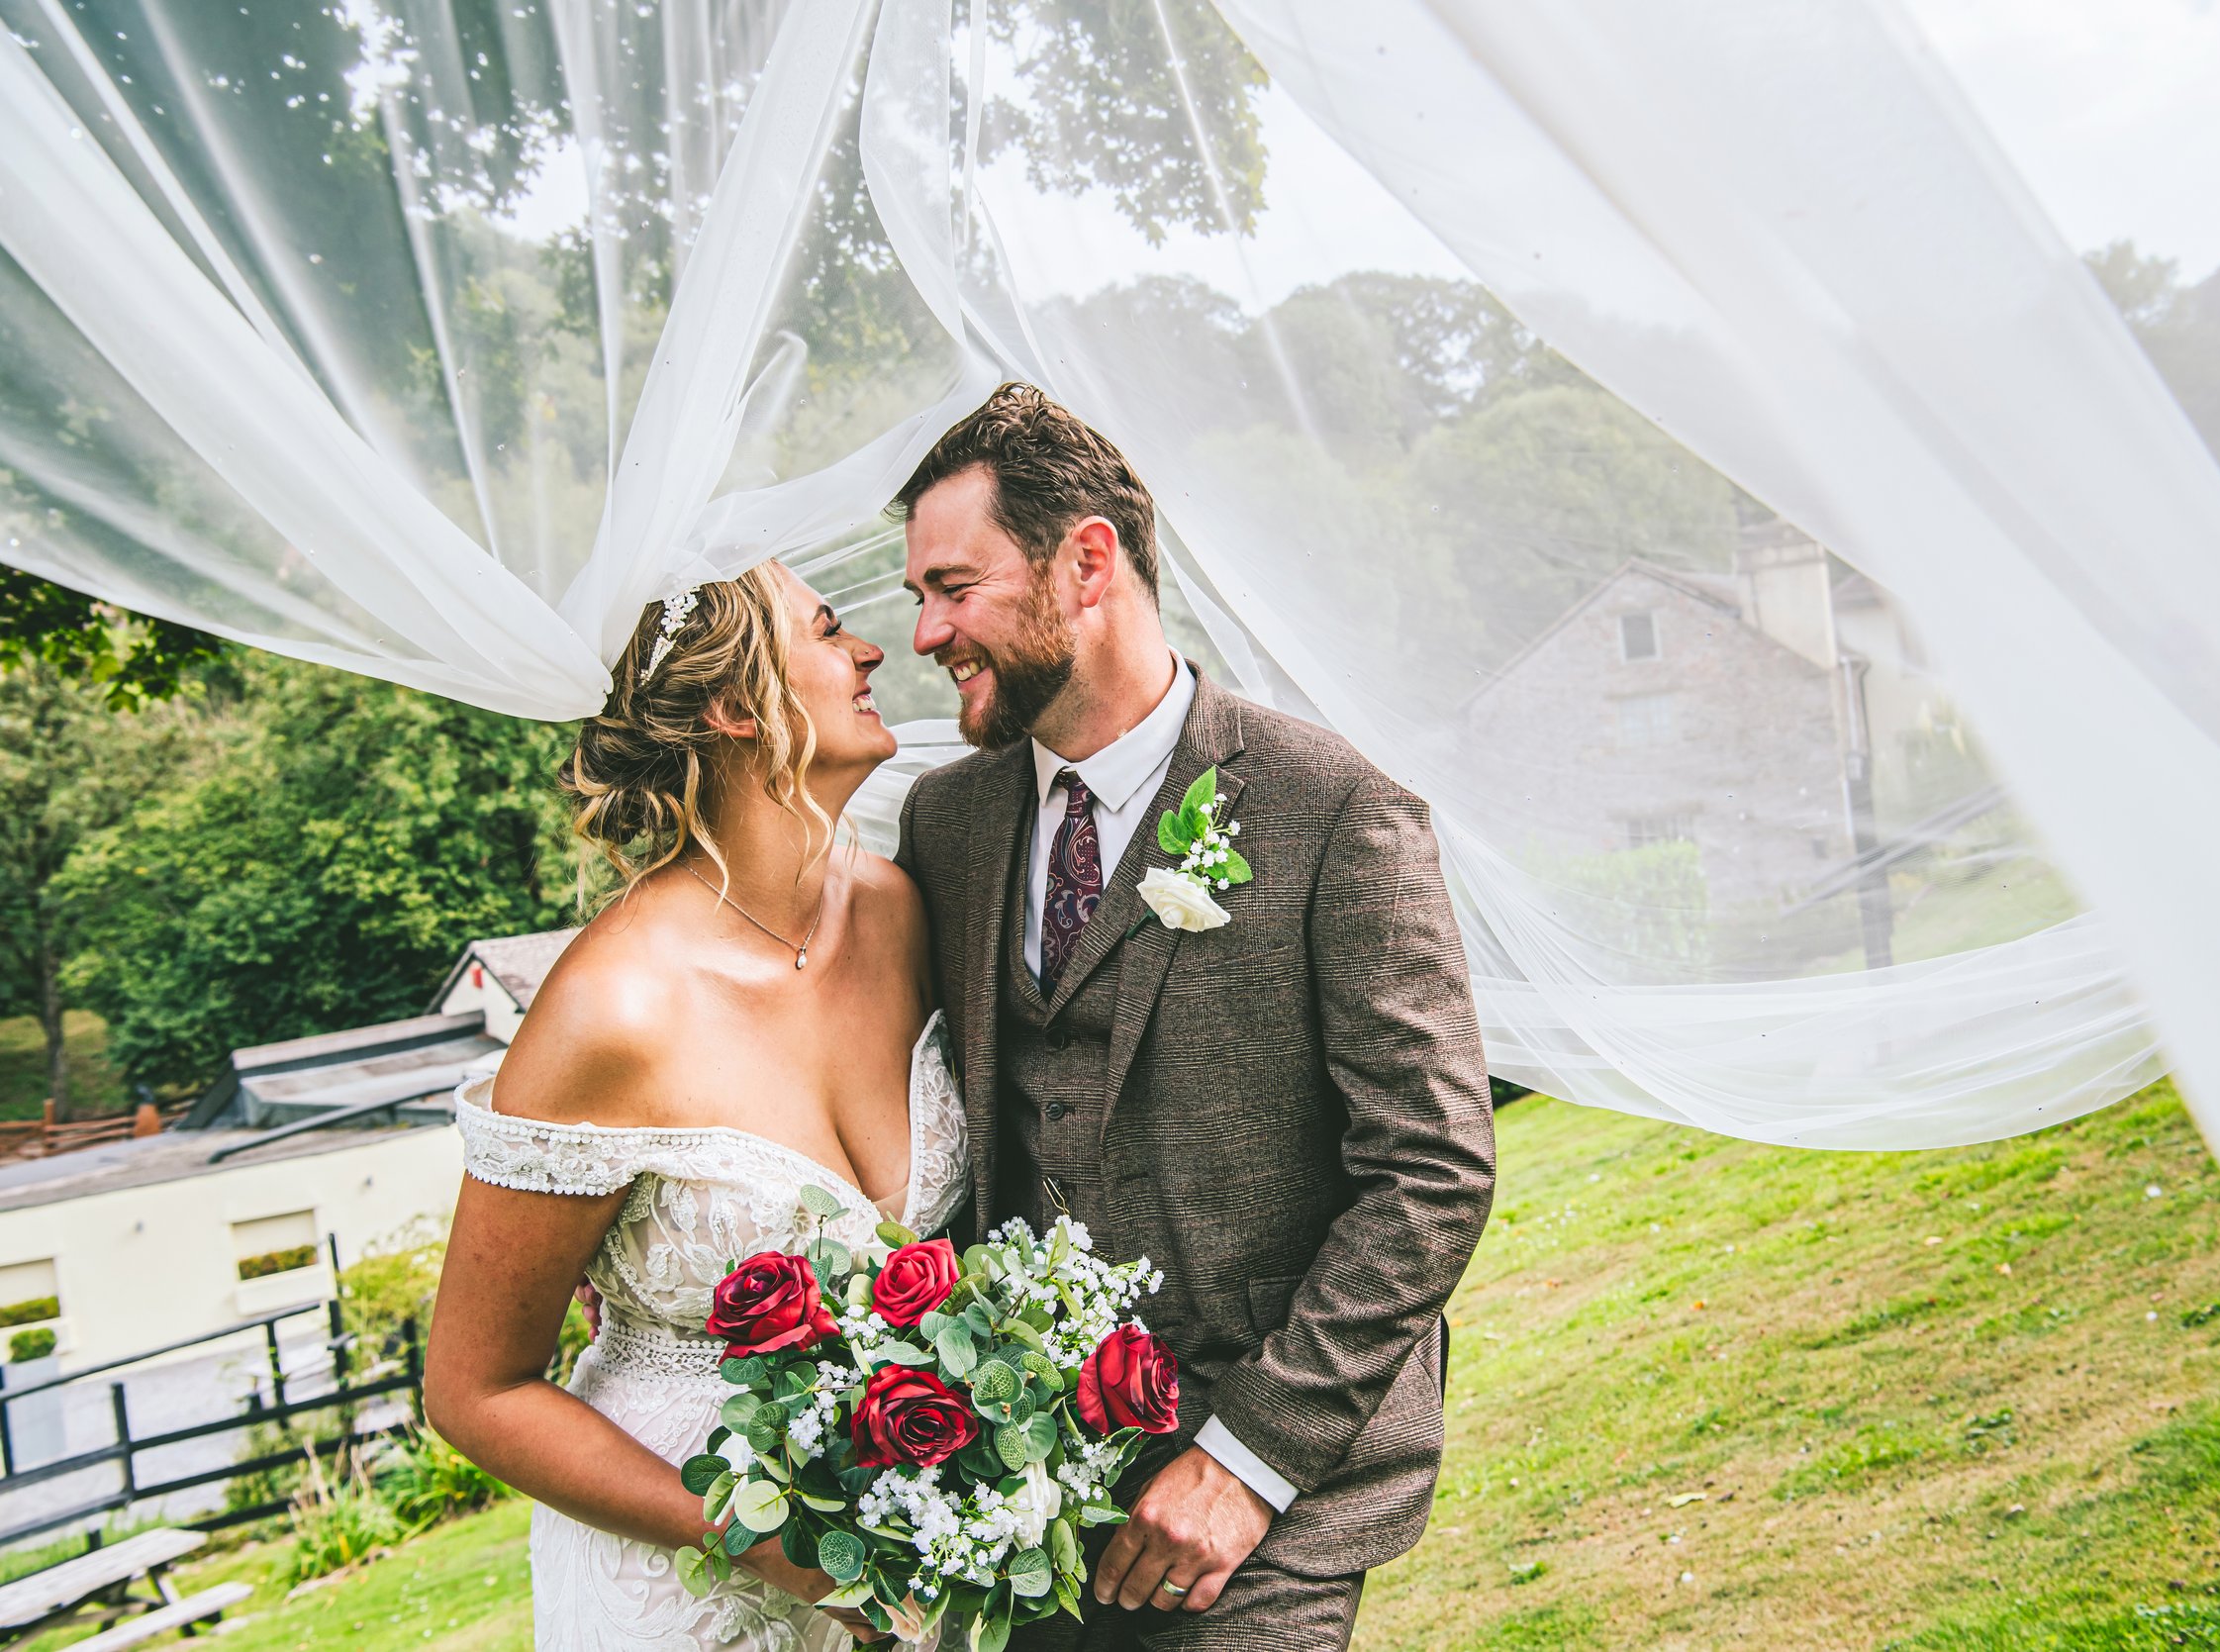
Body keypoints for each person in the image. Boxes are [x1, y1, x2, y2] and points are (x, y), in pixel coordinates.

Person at [893, 383, 1497, 1650]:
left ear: (1087, 563)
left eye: (953, 587)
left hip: (1263, 1508)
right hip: (1020, 1497)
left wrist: (1246, 1462)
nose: (926, 631)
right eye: (918, 596)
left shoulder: (1335, 810)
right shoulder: (944, 825)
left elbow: (1432, 1169)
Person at [425, 562, 967, 1651]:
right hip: (683, 1579)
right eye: (828, 632)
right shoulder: (613, 1009)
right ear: (732, 707)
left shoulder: (896, 911)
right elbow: (474, 1390)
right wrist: (751, 1537)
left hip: (904, 1557)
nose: (872, 651)